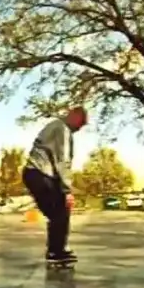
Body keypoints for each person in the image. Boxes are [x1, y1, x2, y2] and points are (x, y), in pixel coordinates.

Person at [22, 107, 88, 263]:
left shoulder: (54, 126)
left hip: (34, 174)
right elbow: (62, 161)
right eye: (80, 124)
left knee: (57, 213)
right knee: (61, 209)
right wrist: (67, 190)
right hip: (40, 174)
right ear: (74, 117)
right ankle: (56, 251)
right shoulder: (62, 129)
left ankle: (55, 249)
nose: (80, 128)